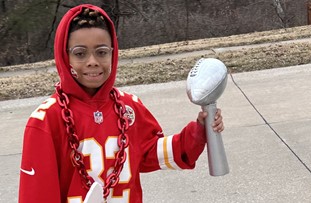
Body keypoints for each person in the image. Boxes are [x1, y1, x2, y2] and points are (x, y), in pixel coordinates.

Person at [18, 4, 224, 203]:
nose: (92, 61)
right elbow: (37, 195)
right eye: (80, 53)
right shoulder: (46, 119)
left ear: (113, 52)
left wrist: (198, 132)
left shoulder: (129, 107)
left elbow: (151, 153)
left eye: (101, 52)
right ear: (65, 56)